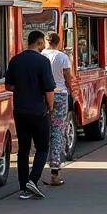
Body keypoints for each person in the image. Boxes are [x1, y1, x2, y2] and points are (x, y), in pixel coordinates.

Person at [5, 30, 56, 199]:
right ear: (40, 43)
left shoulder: (15, 60)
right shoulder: (43, 61)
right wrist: (50, 107)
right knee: (42, 148)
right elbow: (49, 89)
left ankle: (23, 188)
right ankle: (33, 180)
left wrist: (22, 87)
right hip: (38, 111)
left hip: (20, 110)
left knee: (23, 149)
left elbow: (8, 86)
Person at [42, 31, 73, 186]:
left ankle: (36, 170)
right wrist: (71, 92)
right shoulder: (62, 57)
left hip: (42, 96)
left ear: (46, 41)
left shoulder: (40, 56)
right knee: (57, 131)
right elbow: (69, 78)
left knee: (42, 132)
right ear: (58, 42)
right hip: (60, 95)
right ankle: (55, 171)